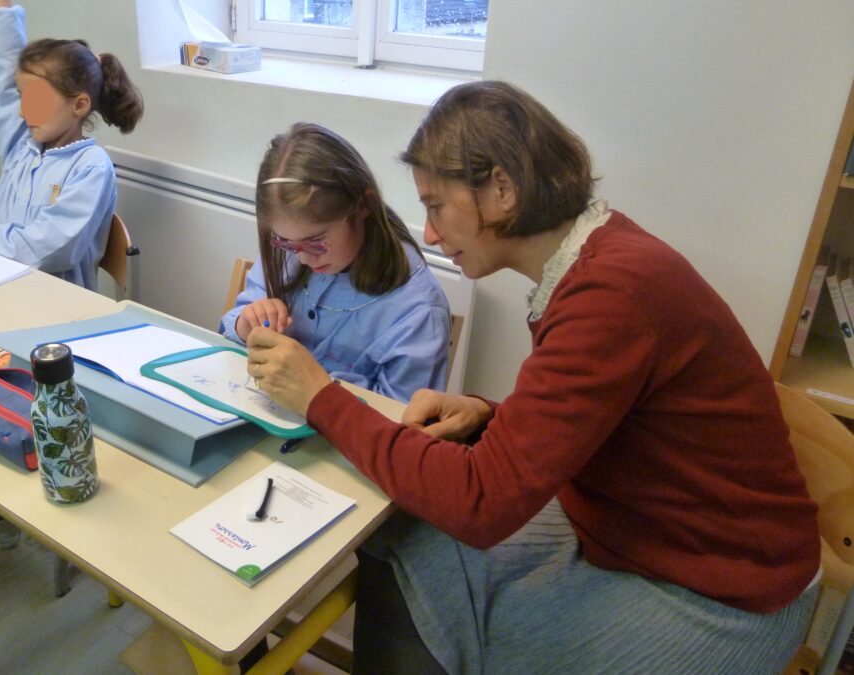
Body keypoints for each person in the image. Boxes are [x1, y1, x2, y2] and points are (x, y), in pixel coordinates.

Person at [246, 81, 821, 673]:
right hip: (629, 528)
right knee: (399, 540)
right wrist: (492, 414)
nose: (432, 233)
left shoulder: (612, 291)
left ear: (501, 189)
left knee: (464, 613)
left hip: (724, 590)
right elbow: (607, 409)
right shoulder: (593, 261)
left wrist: (321, 397)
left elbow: (481, 505)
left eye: (436, 206)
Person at [0, 0, 143, 292]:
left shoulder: (91, 167)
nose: (23, 111)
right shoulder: (23, 146)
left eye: (35, 100)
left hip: (51, 306)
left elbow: (51, 248)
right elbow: (2, 81)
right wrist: (2, 10)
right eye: (22, 97)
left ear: (79, 104)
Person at [220, 122, 451, 403]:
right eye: (285, 242)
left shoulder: (417, 309)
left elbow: (403, 423)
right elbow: (233, 325)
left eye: (316, 241)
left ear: (364, 205)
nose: (303, 257)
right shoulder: (289, 254)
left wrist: (316, 387)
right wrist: (246, 324)